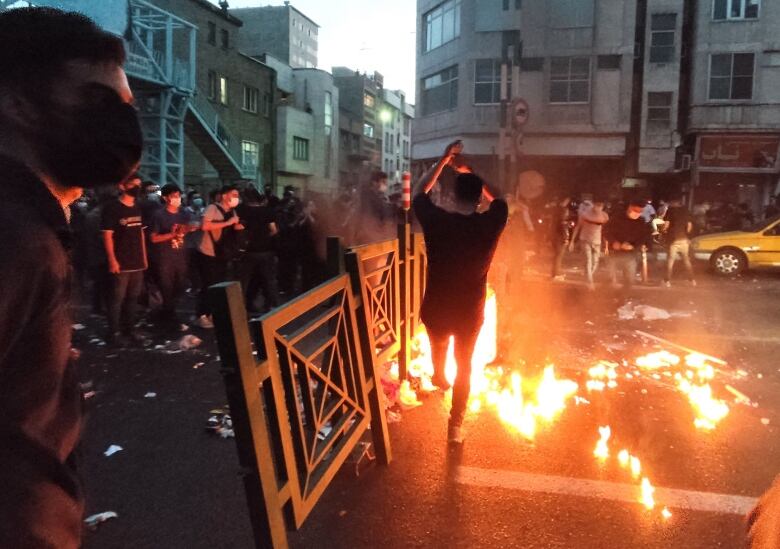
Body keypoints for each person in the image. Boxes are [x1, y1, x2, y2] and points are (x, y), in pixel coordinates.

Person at [0, 8, 142, 547]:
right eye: (93, 100)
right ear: (16, 105)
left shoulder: (35, 225)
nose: (120, 124)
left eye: (125, 106)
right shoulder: (14, 238)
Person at [413, 141, 508, 444]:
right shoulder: (489, 224)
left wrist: (443, 161)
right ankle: (456, 426)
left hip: (437, 307)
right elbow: (502, 197)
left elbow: (418, 192)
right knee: (464, 365)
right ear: (479, 198)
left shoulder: (437, 221)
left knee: (439, 346)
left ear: (452, 196)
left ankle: (439, 374)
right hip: (469, 310)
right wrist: (471, 169)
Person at [101, 175, 148, 344]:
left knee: (132, 299)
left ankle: (130, 330)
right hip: (121, 262)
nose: (136, 187)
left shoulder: (137, 207)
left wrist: (144, 257)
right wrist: (112, 260)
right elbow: (107, 236)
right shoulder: (112, 208)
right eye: (133, 184)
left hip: (137, 262)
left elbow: (141, 233)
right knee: (116, 300)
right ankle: (113, 333)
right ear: (122, 186)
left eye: (139, 185)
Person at [195, 184, 244, 328]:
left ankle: (212, 314)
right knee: (208, 284)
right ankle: (202, 314)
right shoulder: (212, 208)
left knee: (218, 285)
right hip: (208, 252)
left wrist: (237, 227)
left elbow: (233, 227)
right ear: (224, 196)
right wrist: (228, 222)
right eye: (233, 195)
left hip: (223, 253)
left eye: (237, 195)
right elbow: (204, 226)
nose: (236, 198)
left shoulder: (233, 211)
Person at [149, 184, 196, 331]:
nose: (177, 198)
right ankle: (169, 318)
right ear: (165, 198)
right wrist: (172, 234)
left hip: (180, 255)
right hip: (164, 257)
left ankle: (165, 314)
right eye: (174, 196)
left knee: (180, 286)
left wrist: (190, 228)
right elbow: (153, 238)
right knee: (166, 287)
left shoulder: (183, 213)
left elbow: (193, 224)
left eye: (178, 195)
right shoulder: (159, 215)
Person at [237, 186, 280, 313]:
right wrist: (264, 237)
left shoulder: (241, 210)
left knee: (244, 281)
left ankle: (239, 307)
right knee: (269, 280)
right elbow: (274, 230)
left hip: (247, 250)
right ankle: (273, 305)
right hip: (265, 250)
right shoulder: (267, 211)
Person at [604, 201, 653, 289]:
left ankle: (623, 298)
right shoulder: (617, 218)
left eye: (640, 211)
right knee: (610, 280)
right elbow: (606, 231)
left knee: (629, 280)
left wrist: (634, 246)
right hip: (614, 254)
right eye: (636, 210)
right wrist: (614, 242)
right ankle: (606, 298)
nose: (637, 213)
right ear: (630, 208)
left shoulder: (640, 222)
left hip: (630, 255)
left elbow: (644, 237)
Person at [570, 199, 609, 289]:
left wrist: (606, 245)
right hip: (585, 239)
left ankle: (588, 276)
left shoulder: (604, 216)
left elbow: (606, 231)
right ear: (594, 205)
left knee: (595, 262)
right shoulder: (585, 215)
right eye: (597, 205)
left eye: (600, 206)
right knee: (588, 260)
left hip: (597, 241)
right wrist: (572, 241)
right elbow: (578, 227)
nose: (598, 208)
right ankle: (590, 282)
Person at [663, 196, 696, 287]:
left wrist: (664, 231)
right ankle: (692, 280)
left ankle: (667, 281)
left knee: (670, 260)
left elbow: (666, 224)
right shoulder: (686, 211)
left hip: (674, 239)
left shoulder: (670, 211)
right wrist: (687, 236)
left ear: (673, 203)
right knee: (686, 260)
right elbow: (689, 226)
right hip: (684, 239)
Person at [550, 196, 572, 281]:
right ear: (565, 200)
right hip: (559, 236)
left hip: (553, 235)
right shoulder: (563, 210)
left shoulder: (555, 209)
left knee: (556, 255)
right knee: (559, 255)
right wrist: (566, 237)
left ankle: (555, 273)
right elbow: (562, 224)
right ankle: (555, 274)